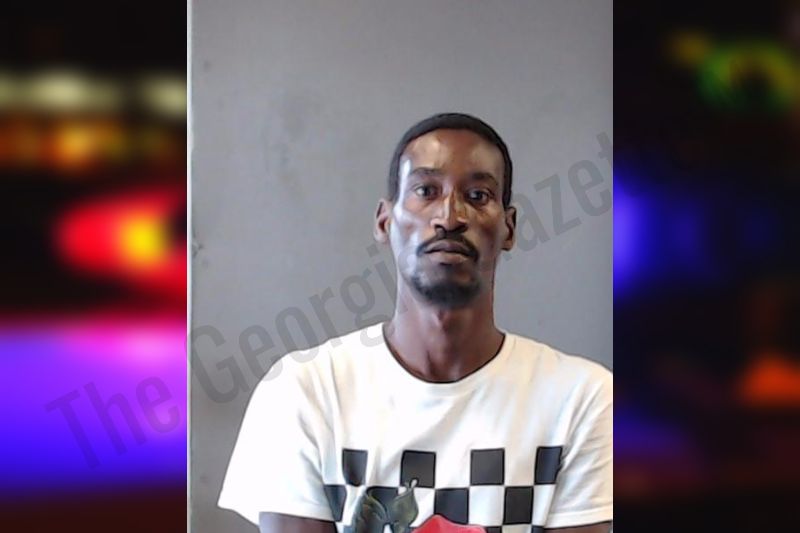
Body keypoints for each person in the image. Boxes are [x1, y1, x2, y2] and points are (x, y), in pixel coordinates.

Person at [218, 113, 612, 533]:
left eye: (478, 195)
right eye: (426, 191)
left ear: (508, 227)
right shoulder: (304, 391)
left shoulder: (581, 400)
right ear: (384, 221)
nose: (449, 216)